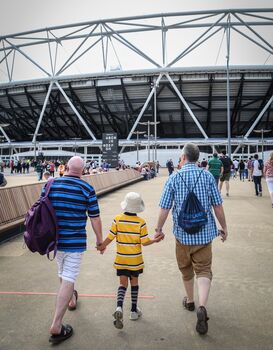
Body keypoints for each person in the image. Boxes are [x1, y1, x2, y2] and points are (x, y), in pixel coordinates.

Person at [156, 143, 228, 335]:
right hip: (204, 234)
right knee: (203, 270)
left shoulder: (174, 177)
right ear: (197, 158)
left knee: (186, 269)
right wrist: (224, 227)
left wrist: (158, 229)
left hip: (182, 234)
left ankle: (189, 301)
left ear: (183, 157)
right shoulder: (206, 176)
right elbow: (217, 206)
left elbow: (165, 207)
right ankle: (202, 307)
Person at [42, 156, 103, 345]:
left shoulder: (51, 184)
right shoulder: (87, 189)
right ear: (83, 171)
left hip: (55, 241)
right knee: (69, 277)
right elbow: (95, 218)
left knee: (62, 273)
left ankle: (71, 299)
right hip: (75, 242)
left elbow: (42, 208)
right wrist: (100, 241)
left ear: (66, 167)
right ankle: (56, 325)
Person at [97, 192, 164, 329]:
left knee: (122, 284)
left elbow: (110, 237)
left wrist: (102, 246)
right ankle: (133, 311)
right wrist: (155, 240)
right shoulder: (141, 222)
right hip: (135, 260)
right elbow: (144, 242)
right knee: (134, 284)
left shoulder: (117, 219)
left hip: (121, 259)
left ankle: (119, 308)